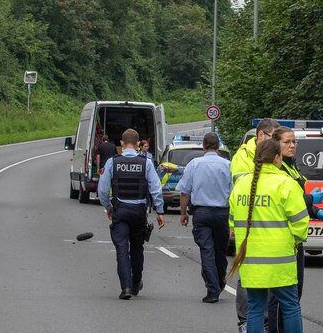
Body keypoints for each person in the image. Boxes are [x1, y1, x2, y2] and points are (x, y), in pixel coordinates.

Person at [228, 138, 316, 333]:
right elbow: (300, 221)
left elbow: (232, 220)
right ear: (277, 158)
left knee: (256, 307)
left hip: (250, 258)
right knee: (289, 305)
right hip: (280, 258)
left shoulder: (242, 184)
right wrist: (296, 241)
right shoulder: (286, 184)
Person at [266, 126, 323, 333]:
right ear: (276, 146)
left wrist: (314, 210)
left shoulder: (292, 167)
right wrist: (310, 198)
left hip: (295, 236)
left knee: (295, 291)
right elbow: (283, 196)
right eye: (287, 142)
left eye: (294, 142)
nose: (292, 145)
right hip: (282, 237)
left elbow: (294, 202)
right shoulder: (277, 168)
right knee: (282, 293)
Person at [98, 128, 165, 300]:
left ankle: (126, 287)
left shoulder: (113, 162)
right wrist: (160, 211)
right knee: (137, 248)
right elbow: (156, 188)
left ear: (121, 143)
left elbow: (103, 189)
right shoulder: (146, 163)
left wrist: (108, 207)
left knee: (121, 248)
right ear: (137, 144)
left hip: (120, 210)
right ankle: (136, 282)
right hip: (138, 212)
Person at [230, 118, 280, 333]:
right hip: (249, 225)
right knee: (246, 276)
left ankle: (266, 322)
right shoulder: (242, 156)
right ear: (261, 136)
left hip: (269, 226)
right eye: (273, 137)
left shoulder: (275, 155)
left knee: (268, 276)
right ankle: (245, 321)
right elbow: (241, 189)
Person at [176, 132, 232, 303]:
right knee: (220, 251)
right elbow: (235, 192)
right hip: (223, 213)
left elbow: (185, 191)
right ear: (219, 147)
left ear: (203, 146)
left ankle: (212, 289)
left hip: (201, 213)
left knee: (206, 250)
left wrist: (183, 212)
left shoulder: (194, 164)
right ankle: (220, 281)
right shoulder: (229, 165)